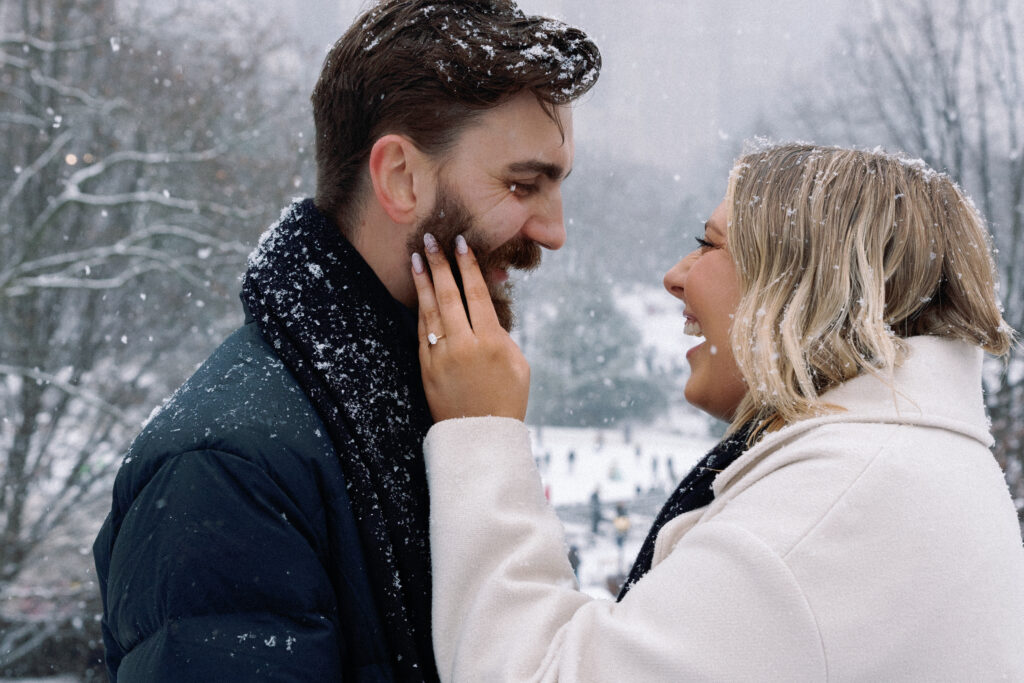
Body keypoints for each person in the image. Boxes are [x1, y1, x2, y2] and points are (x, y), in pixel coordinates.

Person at [92, 1, 600, 680]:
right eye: (523, 183)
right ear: (399, 177)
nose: (553, 229)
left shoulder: (422, 405)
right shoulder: (228, 468)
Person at [412, 143, 1024, 680]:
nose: (674, 277)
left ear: (804, 283)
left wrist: (481, 434)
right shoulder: (914, 472)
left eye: (709, 245)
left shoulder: (825, 514)